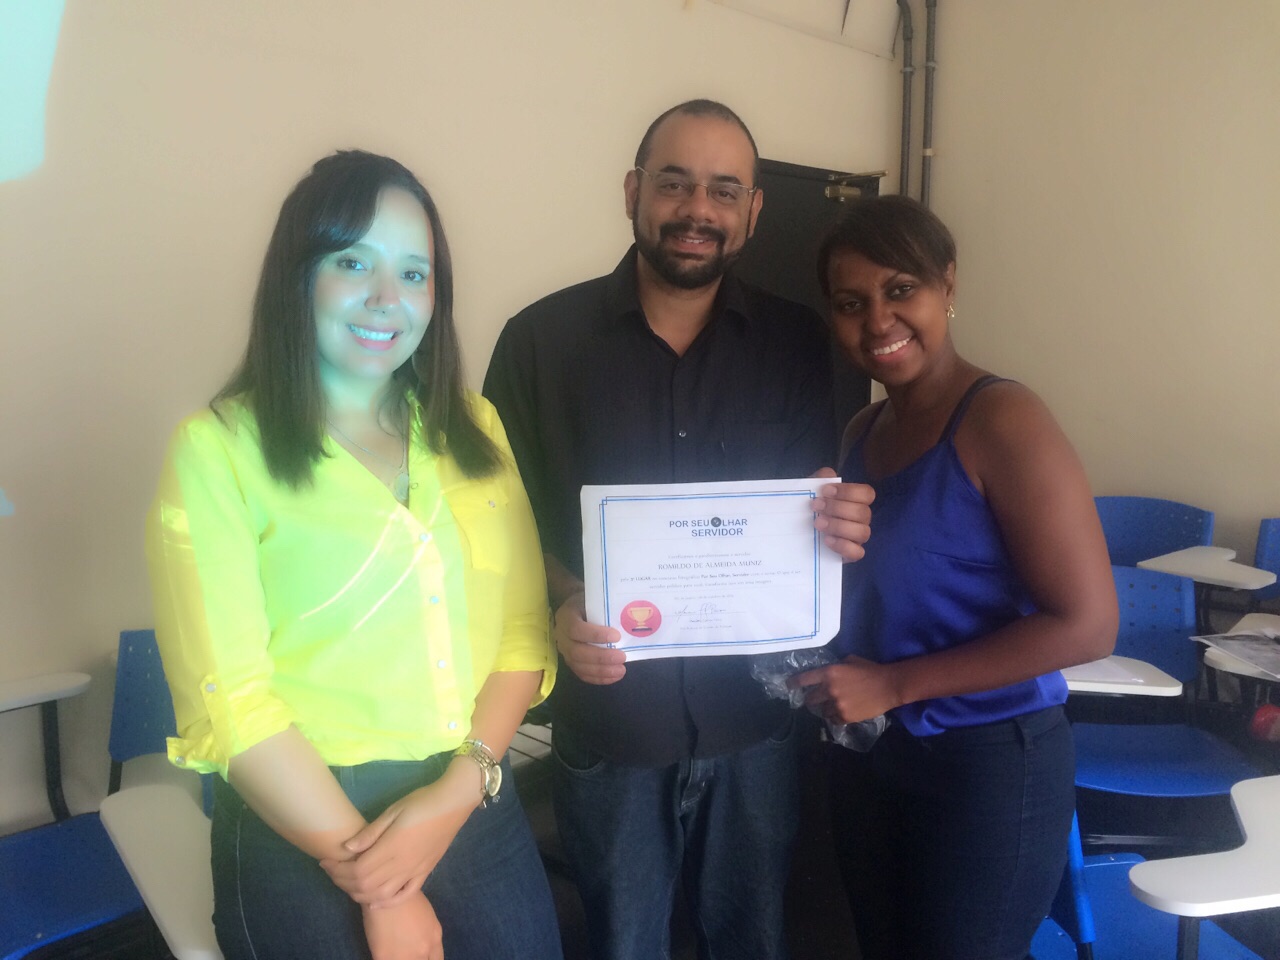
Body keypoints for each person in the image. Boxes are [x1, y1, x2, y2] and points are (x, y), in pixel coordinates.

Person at [145, 151, 562, 960]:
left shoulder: (474, 429)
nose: (385, 298)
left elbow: (521, 633)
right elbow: (230, 701)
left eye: (414, 273)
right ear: (297, 276)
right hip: (303, 815)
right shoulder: (218, 450)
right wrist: (382, 888)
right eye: (351, 262)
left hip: (469, 783)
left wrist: (459, 788)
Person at [482, 99, 873, 960]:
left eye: (724, 191)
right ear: (633, 192)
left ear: (753, 212)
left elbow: (810, 503)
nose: (698, 209)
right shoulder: (538, 343)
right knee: (625, 945)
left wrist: (837, 521)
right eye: (675, 183)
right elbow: (503, 526)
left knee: (752, 939)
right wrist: (563, 606)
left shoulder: (798, 343)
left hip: (755, 723)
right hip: (613, 724)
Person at [793, 195, 1118, 960]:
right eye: (851, 302)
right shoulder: (861, 431)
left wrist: (894, 685)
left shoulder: (1004, 418)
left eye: (901, 289)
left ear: (948, 285)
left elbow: (1089, 625)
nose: (878, 320)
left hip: (989, 764)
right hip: (873, 755)